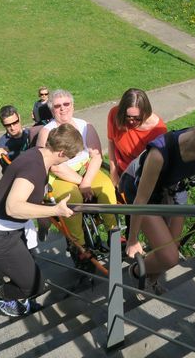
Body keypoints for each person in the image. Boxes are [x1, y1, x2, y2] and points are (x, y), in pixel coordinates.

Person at [0, 124, 82, 317]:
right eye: (70, 157)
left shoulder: (39, 153)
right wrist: (54, 210)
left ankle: (21, 296)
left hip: (8, 224)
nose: (69, 161)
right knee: (33, 286)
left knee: (30, 270)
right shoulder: (34, 169)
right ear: (60, 152)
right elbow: (13, 207)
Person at [122, 99, 195, 295]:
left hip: (173, 189)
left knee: (172, 247)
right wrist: (132, 239)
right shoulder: (160, 153)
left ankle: (151, 279)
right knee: (169, 257)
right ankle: (135, 272)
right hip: (144, 193)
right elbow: (141, 200)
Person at [35, 89, 117, 264]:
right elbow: (54, 167)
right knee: (72, 199)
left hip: (86, 170)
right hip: (61, 175)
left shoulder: (85, 126)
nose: (63, 109)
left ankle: (114, 232)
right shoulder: (46, 132)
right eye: (57, 106)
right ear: (52, 110)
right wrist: (83, 184)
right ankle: (79, 245)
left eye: (66, 104)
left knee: (106, 187)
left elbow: (96, 156)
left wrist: (86, 181)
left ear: (73, 105)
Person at [107, 88, 167, 189]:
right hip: (121, 171)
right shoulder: (115, 114)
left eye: (137, 118)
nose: (131, 121)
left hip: (142, 178)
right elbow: (111, 141)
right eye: (128, 116)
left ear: (146, 113)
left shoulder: (158, 131)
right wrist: (113, 171)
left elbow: (154, 167)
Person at [0, 105, 38, 174]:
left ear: (19, 118)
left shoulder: (32, 133)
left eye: (15, 122)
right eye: (8, 125)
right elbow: (10, 170)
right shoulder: (1, 146)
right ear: (3, 124)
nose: (12, 128)